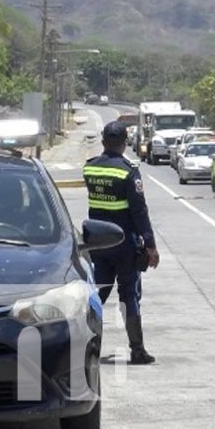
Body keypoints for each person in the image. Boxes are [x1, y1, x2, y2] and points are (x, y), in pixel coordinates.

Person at [83, 121, 160, 365]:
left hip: (97, 245)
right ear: (125, 143)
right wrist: (150, 245)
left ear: (103, 141)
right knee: (129, 296)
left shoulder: (91, 169)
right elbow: (139, 211)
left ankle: (84, 346)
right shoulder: (128, 171)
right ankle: (137, 350)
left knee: (96, 295)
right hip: (125, 245)